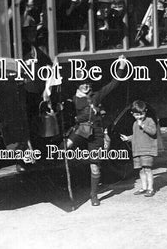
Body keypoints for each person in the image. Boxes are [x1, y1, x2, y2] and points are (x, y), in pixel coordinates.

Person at [66, 55, 127, 206]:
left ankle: (94, 195)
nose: (86, 86)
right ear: (77, 86)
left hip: (96, 133)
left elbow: (114, 83)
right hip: (81, 130)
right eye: (83, 84)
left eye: (88, 83)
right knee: (64, 147)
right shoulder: (73, 100)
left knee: (95, 166)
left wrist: (121, 65)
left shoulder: (96, 96)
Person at [120, 100, 159, 197]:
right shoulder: (134, 124)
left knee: (147, 169)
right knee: (141, 170)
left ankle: (150, 189)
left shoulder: (149, 120)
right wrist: (128, 138)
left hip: (147, 150)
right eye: (136, 115)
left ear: (145, 111)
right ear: (132, 114)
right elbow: (136, 136)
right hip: (137, 151)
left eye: (141, 114)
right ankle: (144, 187)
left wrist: (143, 125)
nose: (139, 117)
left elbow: (153, 132)